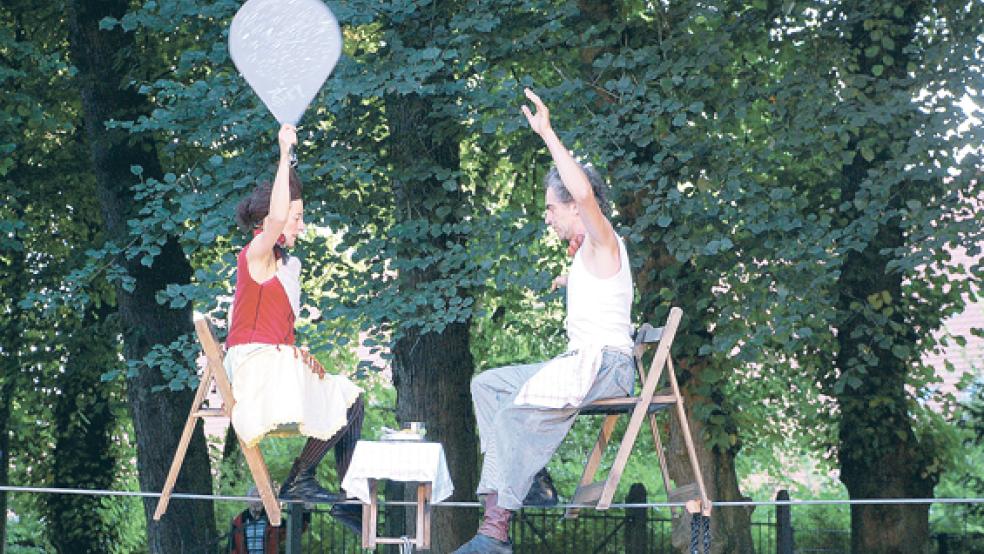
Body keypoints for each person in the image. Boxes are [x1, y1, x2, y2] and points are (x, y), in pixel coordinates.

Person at [453, 89, 636, 554]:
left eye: (551, 206)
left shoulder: (603, 238)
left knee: (514, 417)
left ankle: (493, 535)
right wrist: (567, 279)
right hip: (584, 362)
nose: (546, 215)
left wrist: (548, 134)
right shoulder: (587, 255)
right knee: (487, 385)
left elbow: (583, 191)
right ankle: (531, 482)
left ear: (575, 207)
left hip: (605, 365)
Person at [225, 124, 363, 534]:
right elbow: (279, 217)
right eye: (297, 217)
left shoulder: (288, 266)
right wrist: (285, 153)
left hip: (276, 361)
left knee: (352, 401)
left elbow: (279, 331)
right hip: (254, 367)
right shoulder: (257, 254)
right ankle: (305, 481)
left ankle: (336, 491)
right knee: (331, 391)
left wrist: (296, 353)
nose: (300, 225)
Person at [227, 485, 309, 554]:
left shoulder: (272, 520)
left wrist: (306, 511)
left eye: (259, 497)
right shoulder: (239, 522)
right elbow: (232, 548)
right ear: (248, 500)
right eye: (254, 497)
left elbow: (295, 529)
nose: (257, 501)